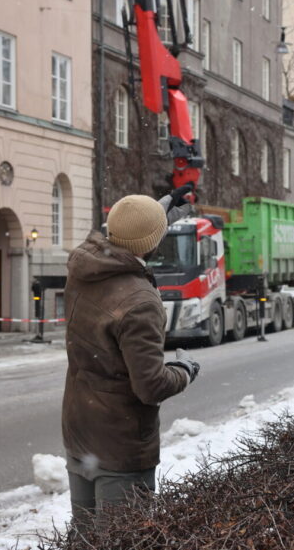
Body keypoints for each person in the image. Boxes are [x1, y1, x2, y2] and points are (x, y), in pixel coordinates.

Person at [61, 192, 200, 527]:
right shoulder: (139, 300)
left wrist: (154, 215)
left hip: (81, 432)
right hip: (120, 446)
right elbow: (150, 386)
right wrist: (184, 370)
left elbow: (119, 235)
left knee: (84, 547)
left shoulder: (83, 270)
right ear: (151, 244)